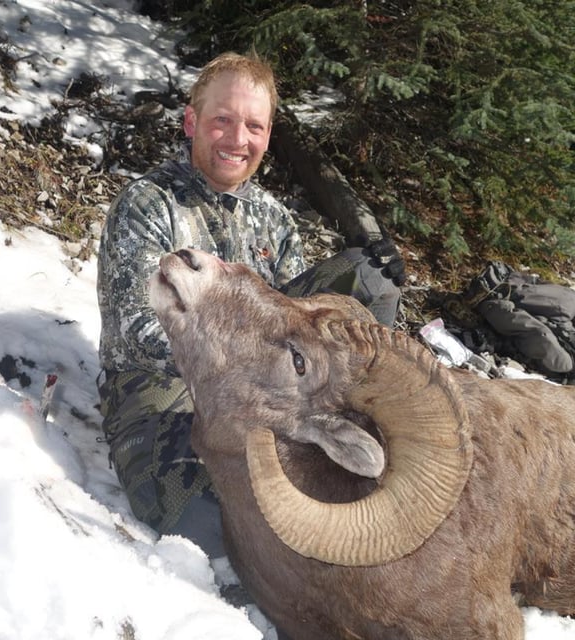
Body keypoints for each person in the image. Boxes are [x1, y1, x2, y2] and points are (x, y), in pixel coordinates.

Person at [96, 51, 405, 558]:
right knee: (216, 527)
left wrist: (372, 282)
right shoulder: (149, 204)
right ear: (191, 122)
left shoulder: (274, 218)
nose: (238, 139)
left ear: (267, 135)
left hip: (261, 393)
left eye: (254, 126)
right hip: (161, 389)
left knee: (368, 276)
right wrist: (242, 369)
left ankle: (358, 427)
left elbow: (298, 322)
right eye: (223, 120)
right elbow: (135, 332)